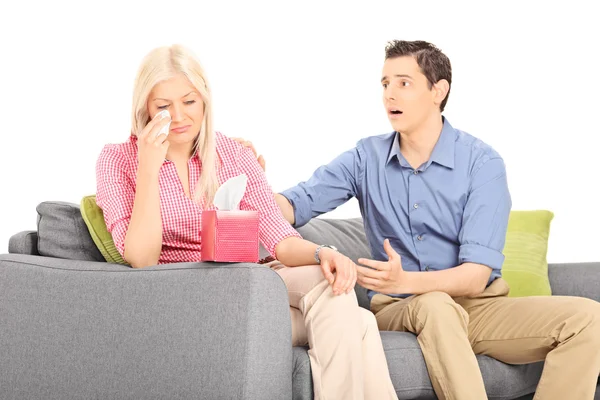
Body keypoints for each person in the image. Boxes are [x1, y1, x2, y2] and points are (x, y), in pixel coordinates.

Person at [242, 40, 600, 399]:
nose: (389, 95)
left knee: (590, 320)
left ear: (438, 91)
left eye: (404, 83)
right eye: (385, 84)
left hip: (480, 307)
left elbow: (476, 277)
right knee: (434, 303)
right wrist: (252, 182)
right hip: (400, 307)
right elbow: (292, 206)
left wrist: (404, 278)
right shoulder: (366, 158)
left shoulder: (482, 164)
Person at [94, 44, 398, 400]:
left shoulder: (232, 154)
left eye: (189, 102)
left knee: (336, 293)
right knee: (358, 322)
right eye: (163, 106)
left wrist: (321, 253)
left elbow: (280, 238)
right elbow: (141, 259)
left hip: (249, 285)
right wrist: (148, 169)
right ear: (144, 106)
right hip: (186, 300)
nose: (178, 116)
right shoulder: (117, 159)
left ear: (205, 101)